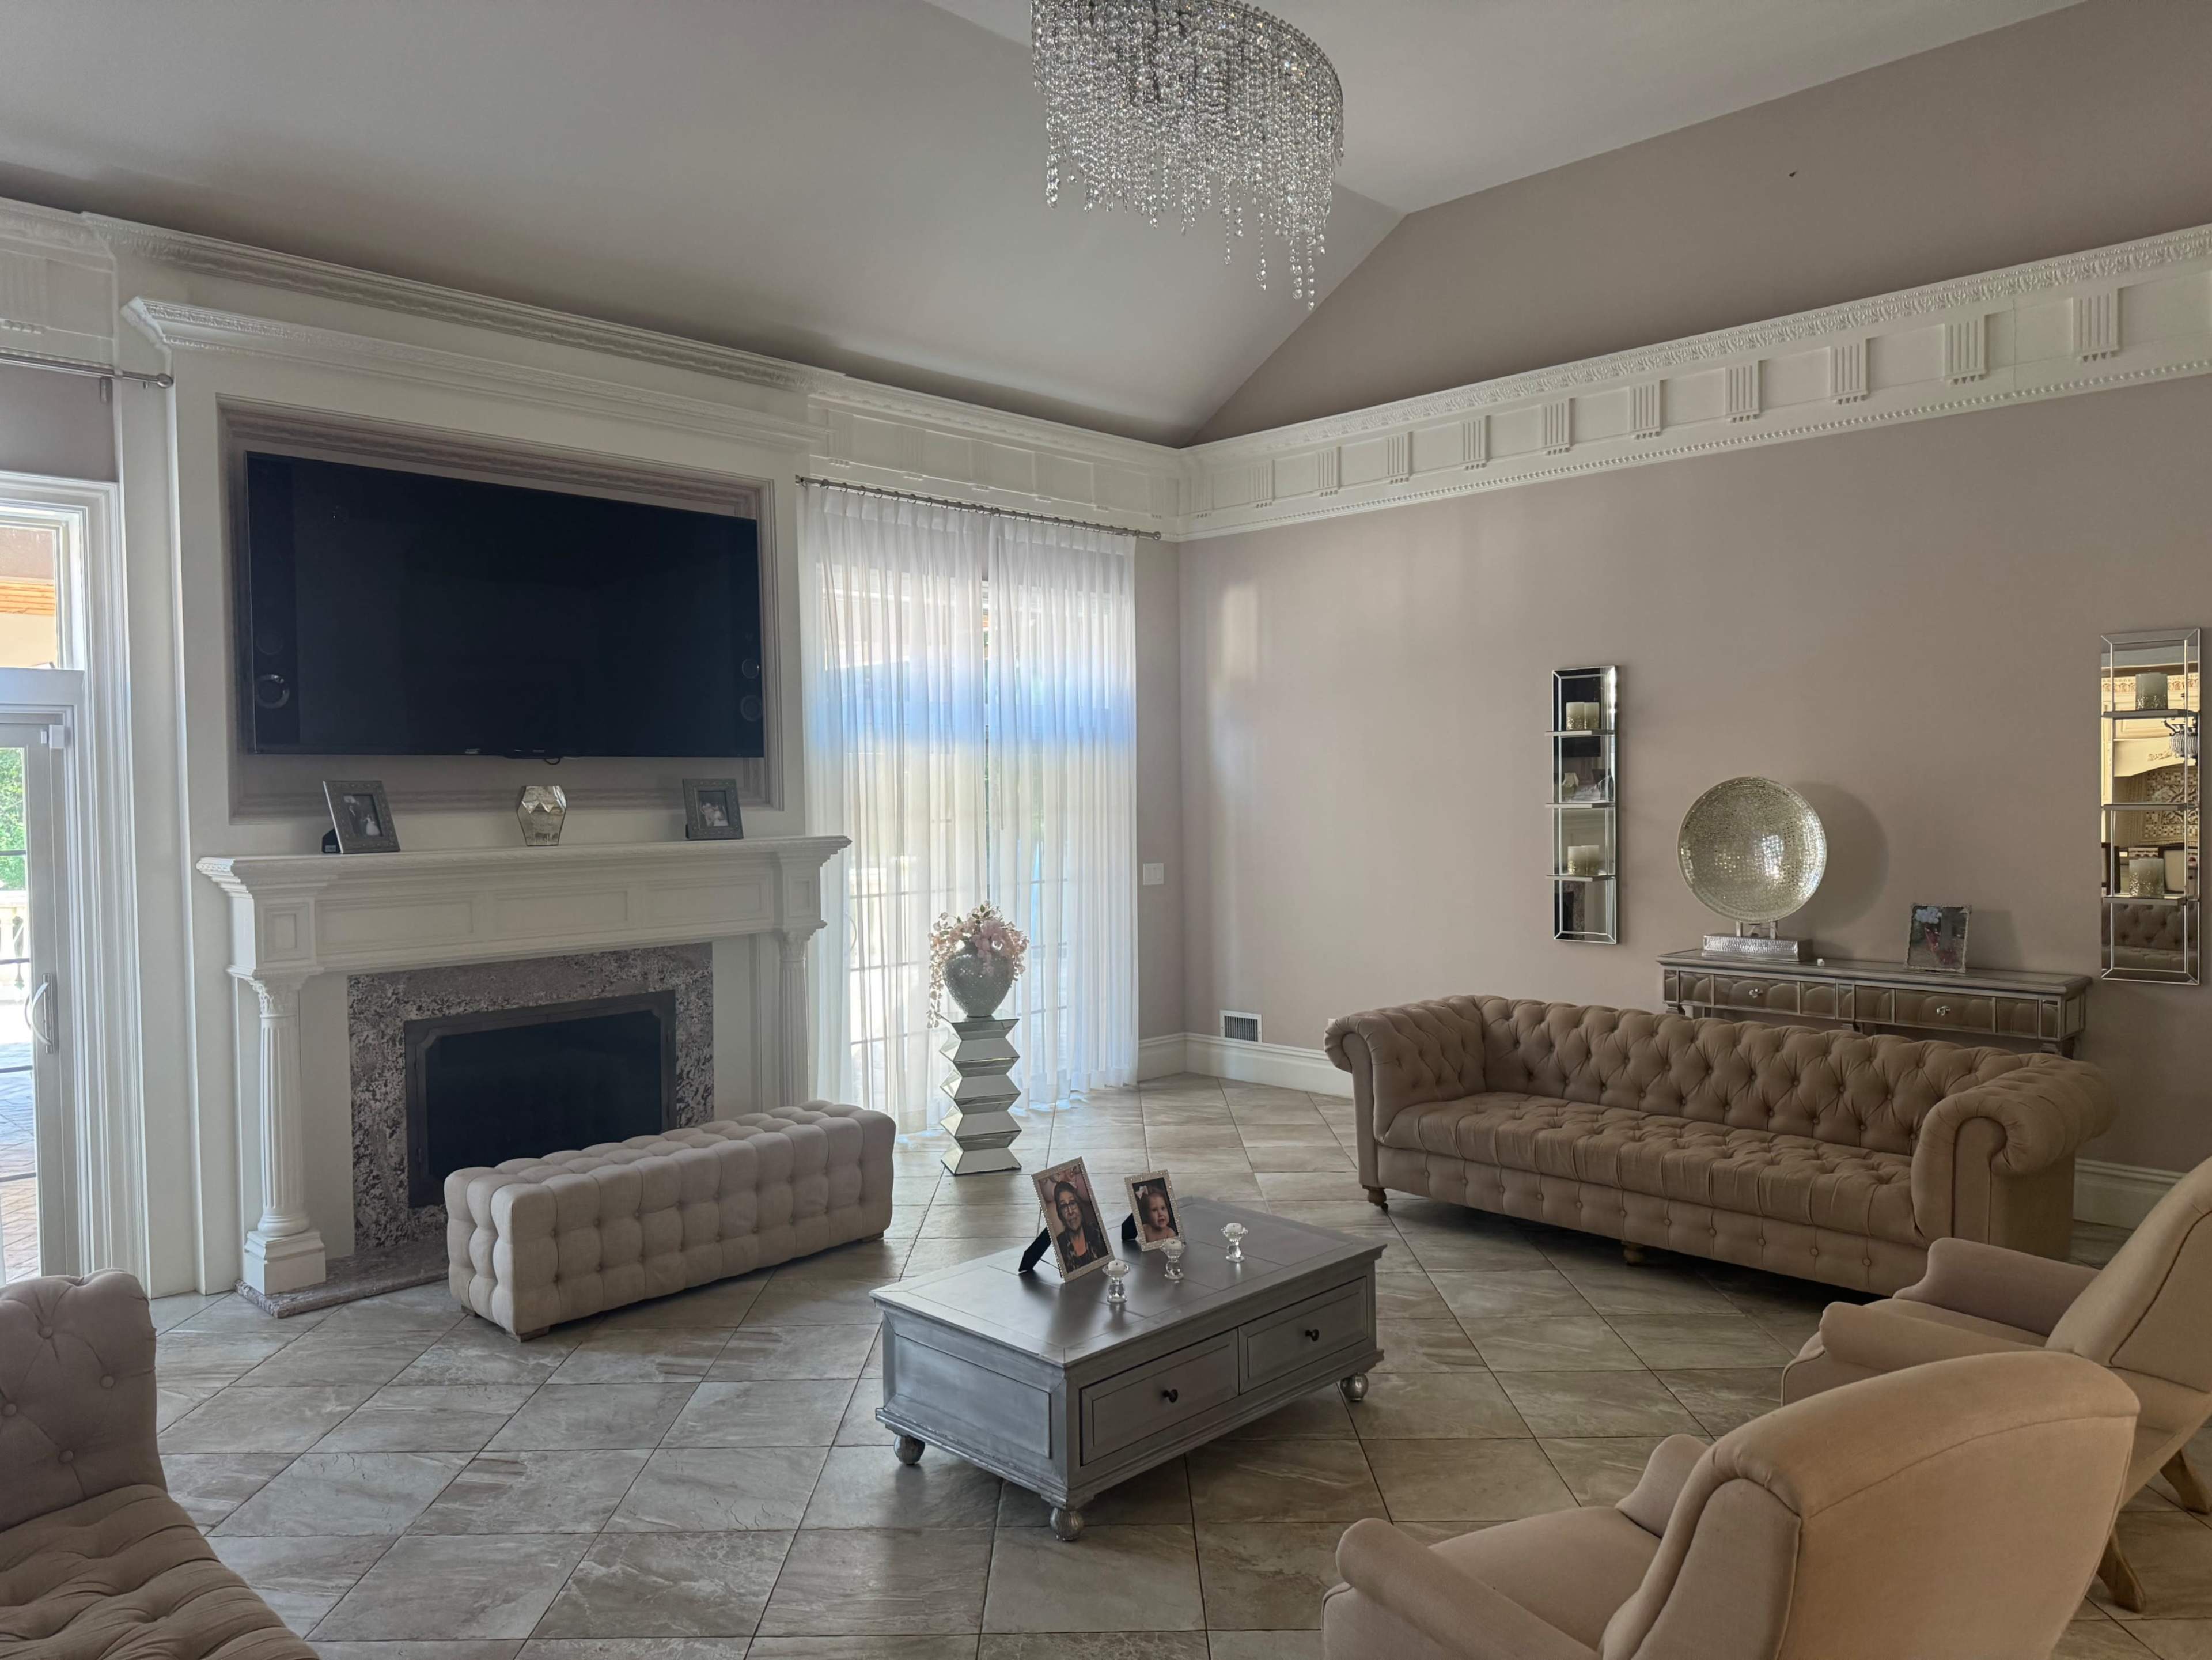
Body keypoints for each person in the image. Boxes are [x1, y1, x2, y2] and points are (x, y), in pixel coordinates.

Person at [1050, 1178, 1109, 1273]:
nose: (1070, 1212)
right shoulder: (1060, 1245)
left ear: (1080, 1207)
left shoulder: (1097, 1233)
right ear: (1060, 1214)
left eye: (1073, 1203)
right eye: (1064, 1206)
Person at [1134, 1179, 1177, 1245]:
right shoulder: (1144, 1230)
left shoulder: (1170, 1233)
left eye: (1163, 1208)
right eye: (1154, 1210)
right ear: (1146, 1215)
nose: (1160, 1214)